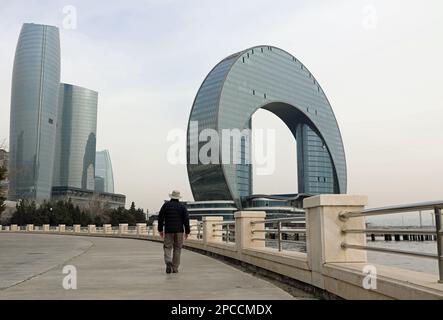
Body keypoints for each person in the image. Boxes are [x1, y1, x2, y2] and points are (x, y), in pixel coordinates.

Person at [157, 190, 190, 274]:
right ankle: (175, 268)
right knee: (177, 249)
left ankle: (168, 262)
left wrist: (160, 230)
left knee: (167, 247)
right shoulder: (182, 207)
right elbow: (186, 220)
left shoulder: (166, 205)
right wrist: (187, 231)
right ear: (178, 197)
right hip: (179, 231)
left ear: (171, 197)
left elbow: (160, 218)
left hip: (168, 230)